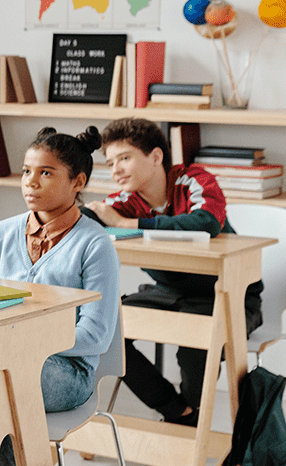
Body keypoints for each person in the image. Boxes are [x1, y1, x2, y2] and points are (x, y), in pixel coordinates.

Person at [0, 127, 120, 465]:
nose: (31, 182)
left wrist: (21, 343)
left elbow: (96, 336)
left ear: (78, 182)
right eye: (28, 171)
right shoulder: (0, 233)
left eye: (46, 173)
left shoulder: (95, 244)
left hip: (66, 371)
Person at [85, 116, 265, 427]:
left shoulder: (194, 179)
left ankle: (190, 426)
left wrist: (131, 225)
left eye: (124, 158)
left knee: (194, 348)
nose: (115, 170)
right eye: (110, 162)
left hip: (229, 295)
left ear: (156, 157)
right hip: (169, 293)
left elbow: (207, 222)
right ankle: (179, 413)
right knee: (102, 329)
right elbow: (90, 218)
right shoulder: (126, 201)